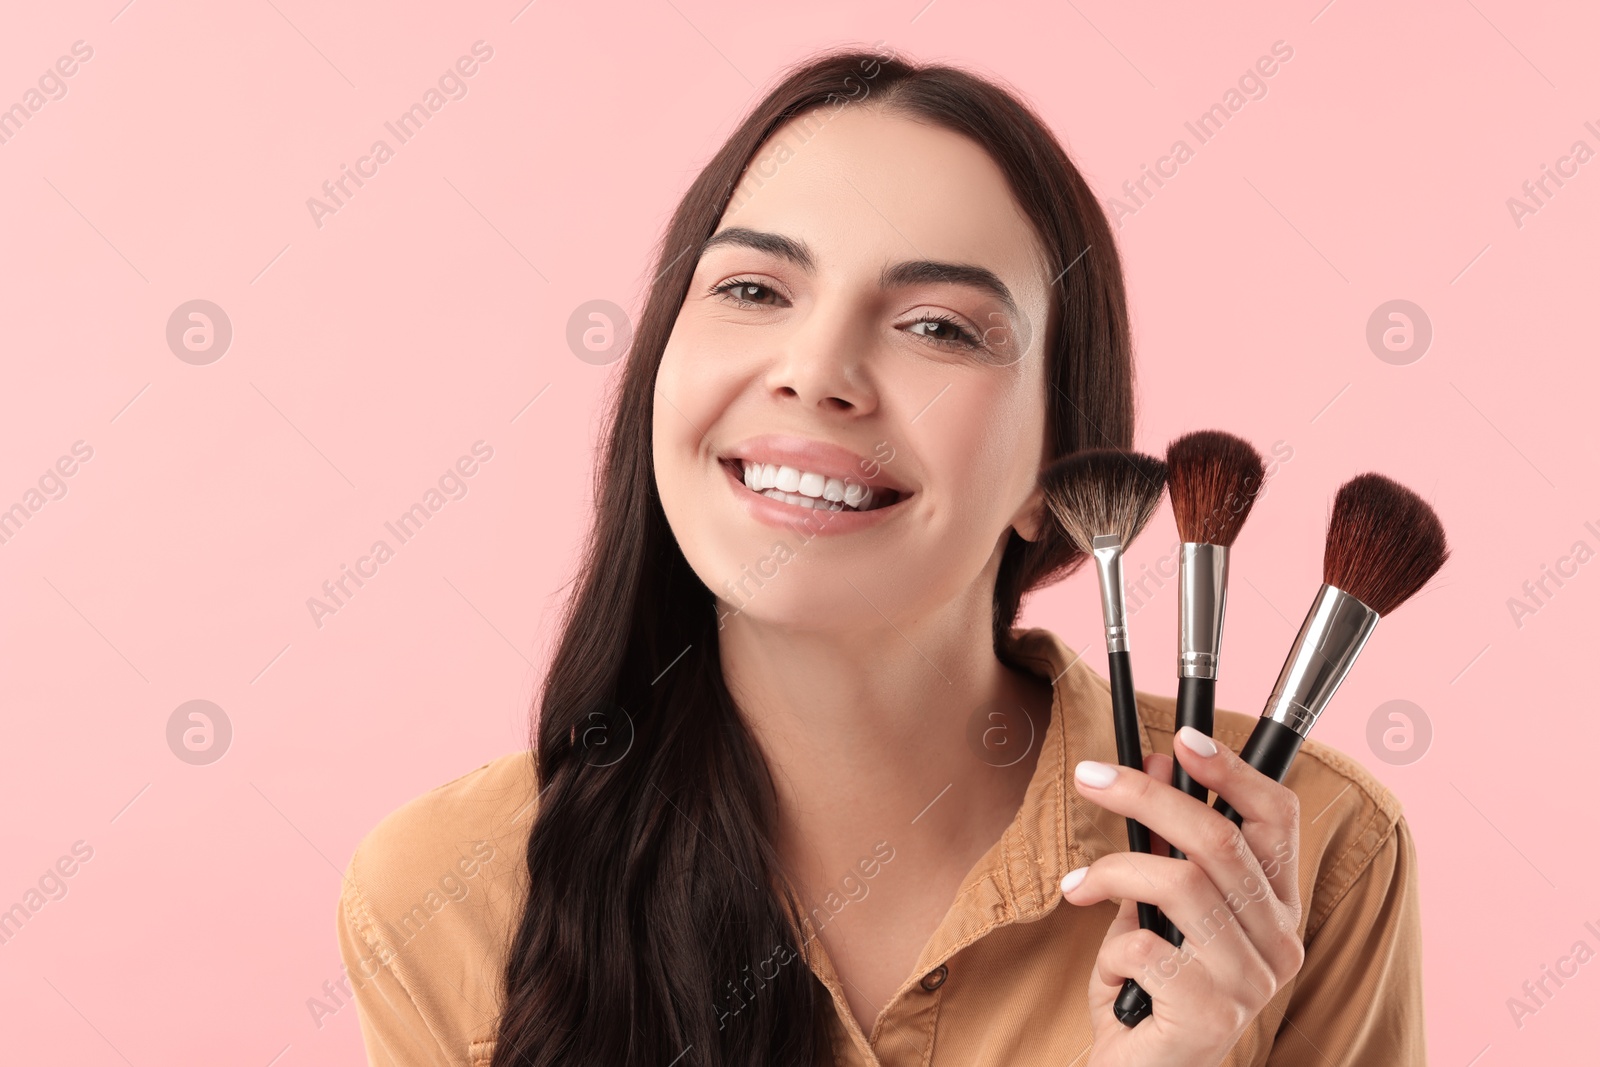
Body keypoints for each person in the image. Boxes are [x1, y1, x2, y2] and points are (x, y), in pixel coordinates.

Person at [335, 45, 1425, 1066]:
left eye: (940, 326)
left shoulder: (1310, 859)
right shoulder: (448, 892)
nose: (816, 370)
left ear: (1056, 470)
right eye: (753, 290)